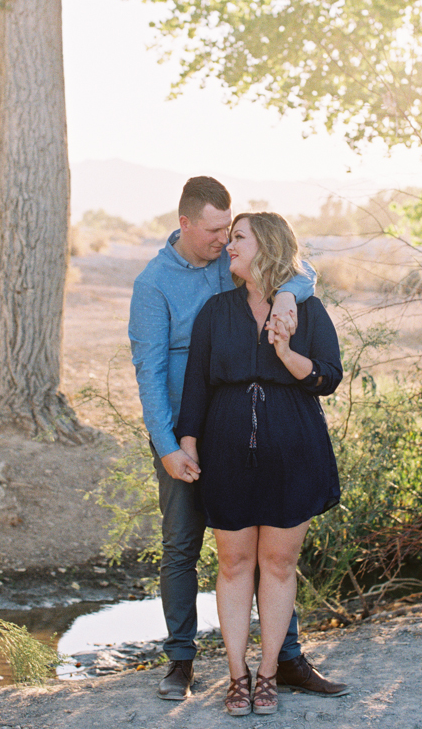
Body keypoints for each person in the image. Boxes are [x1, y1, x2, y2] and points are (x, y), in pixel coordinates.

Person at [129, 177, 346, 701]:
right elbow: (151, 372)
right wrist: (171, 445)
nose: (224, 240)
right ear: (185, 225)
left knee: (273, 553)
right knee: (184, 546)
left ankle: (285, 660)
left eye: (232, 231)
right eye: (214, 231)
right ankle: (181, 661)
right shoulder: (154, 284)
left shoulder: (257, 276)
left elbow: (299, 268)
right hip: (193, 434)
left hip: (271, 433)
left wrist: (290, 297)